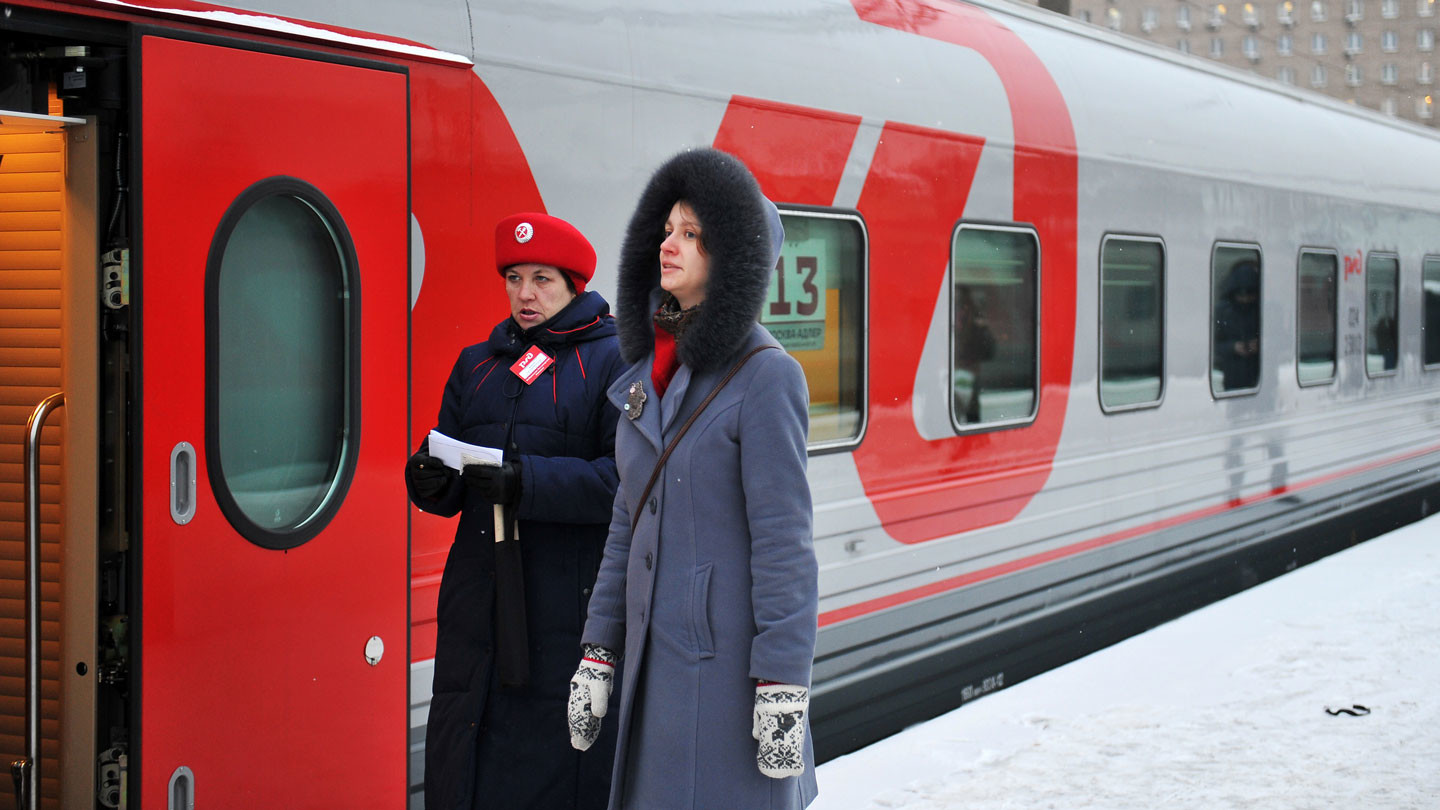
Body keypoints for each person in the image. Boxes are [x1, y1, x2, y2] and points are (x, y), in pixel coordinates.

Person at [566, 148, 820, 809]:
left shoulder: (767, 377)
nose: (668, 246)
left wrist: (782, 688)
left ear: (733, 254)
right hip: (659, 671)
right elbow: (626, 522)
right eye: (667, 230)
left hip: (729, 680)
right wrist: (600, 648)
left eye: (691, 233)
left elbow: (784, 540)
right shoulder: (652, 375)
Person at [405, 212, 626, 810]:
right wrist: (427, 479)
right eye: (514, 278)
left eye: (542, 280)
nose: (525, 295)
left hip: (559, 609)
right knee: (465, 750)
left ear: (574, 286)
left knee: (545, 768)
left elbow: (623, 483)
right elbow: (449, 469)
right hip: (476, 608)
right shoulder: (476, 363)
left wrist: (525, 482)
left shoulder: (611, 363)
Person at [1214, 260, 1261, 391]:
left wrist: (1260, 345)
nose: (1245, 299)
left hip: (1259, 376)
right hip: (1233, 377)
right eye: (1241, 295)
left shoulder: (1263, 310)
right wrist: (1233, 347)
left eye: (1250, 294)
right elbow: (1213, 345)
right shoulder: (1223, 311)